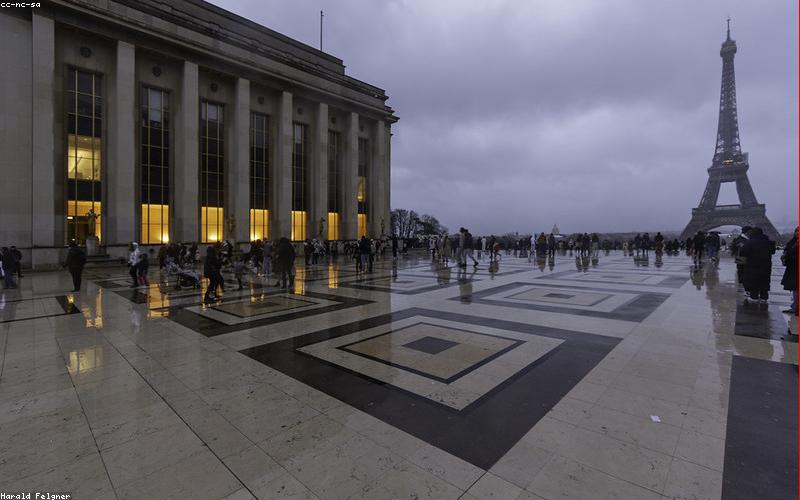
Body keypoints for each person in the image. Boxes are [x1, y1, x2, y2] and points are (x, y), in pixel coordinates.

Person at [738, 227, 775, 303]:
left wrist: (740, 267)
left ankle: (754, 296)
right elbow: (772, 251)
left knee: (753, 281)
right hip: (766, 265)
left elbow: (742, 254)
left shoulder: (749, 243)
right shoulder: (769, 242)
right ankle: (764, 296)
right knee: (765, 280)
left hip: (752, 265)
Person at [780, 227, 798, 314]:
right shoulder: (792, 243)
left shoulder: (793, 243)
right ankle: (795, 306)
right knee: (795, 289)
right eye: (796, 231)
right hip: (793, 268)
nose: (797, 233)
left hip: (795, 267)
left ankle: (795, 307)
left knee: (796, 289)